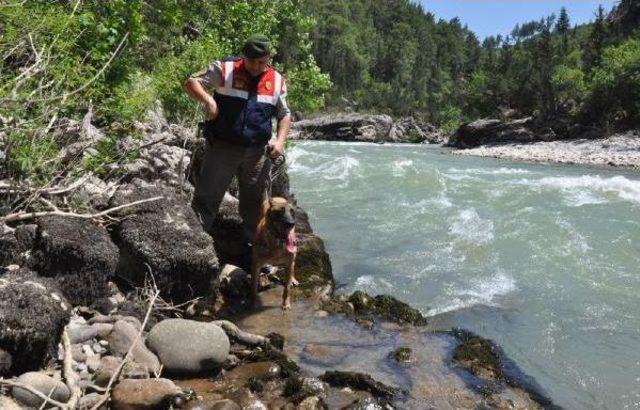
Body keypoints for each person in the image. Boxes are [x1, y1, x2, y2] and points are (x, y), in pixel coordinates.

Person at [184, 34, 292, 242]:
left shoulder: (277, 80)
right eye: (252, 61)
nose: (256, 66)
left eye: (262, 62)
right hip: (223, 147)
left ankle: (257, 248)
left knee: (256, 205)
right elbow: (191, 82)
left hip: (258, 153)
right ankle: (196, 242)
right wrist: (208, 100)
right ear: (244, 56)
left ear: (268, 58)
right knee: (207, 197)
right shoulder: (225, 68)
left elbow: (284, 114)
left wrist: (280, 141)